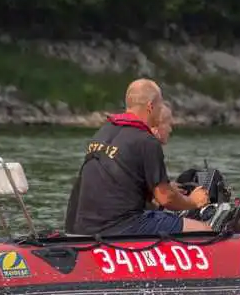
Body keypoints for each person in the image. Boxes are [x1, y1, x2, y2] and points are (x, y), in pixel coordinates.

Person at [66, 80, 212, 235]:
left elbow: (120, 180)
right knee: (203, 231)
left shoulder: (103, 132)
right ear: (150, 107)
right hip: (120, 226)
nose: (161, 109)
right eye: (160, 105)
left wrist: (164, 190)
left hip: (84, 227)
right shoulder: (146, 141)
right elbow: (166, 198)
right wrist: (193, 201)